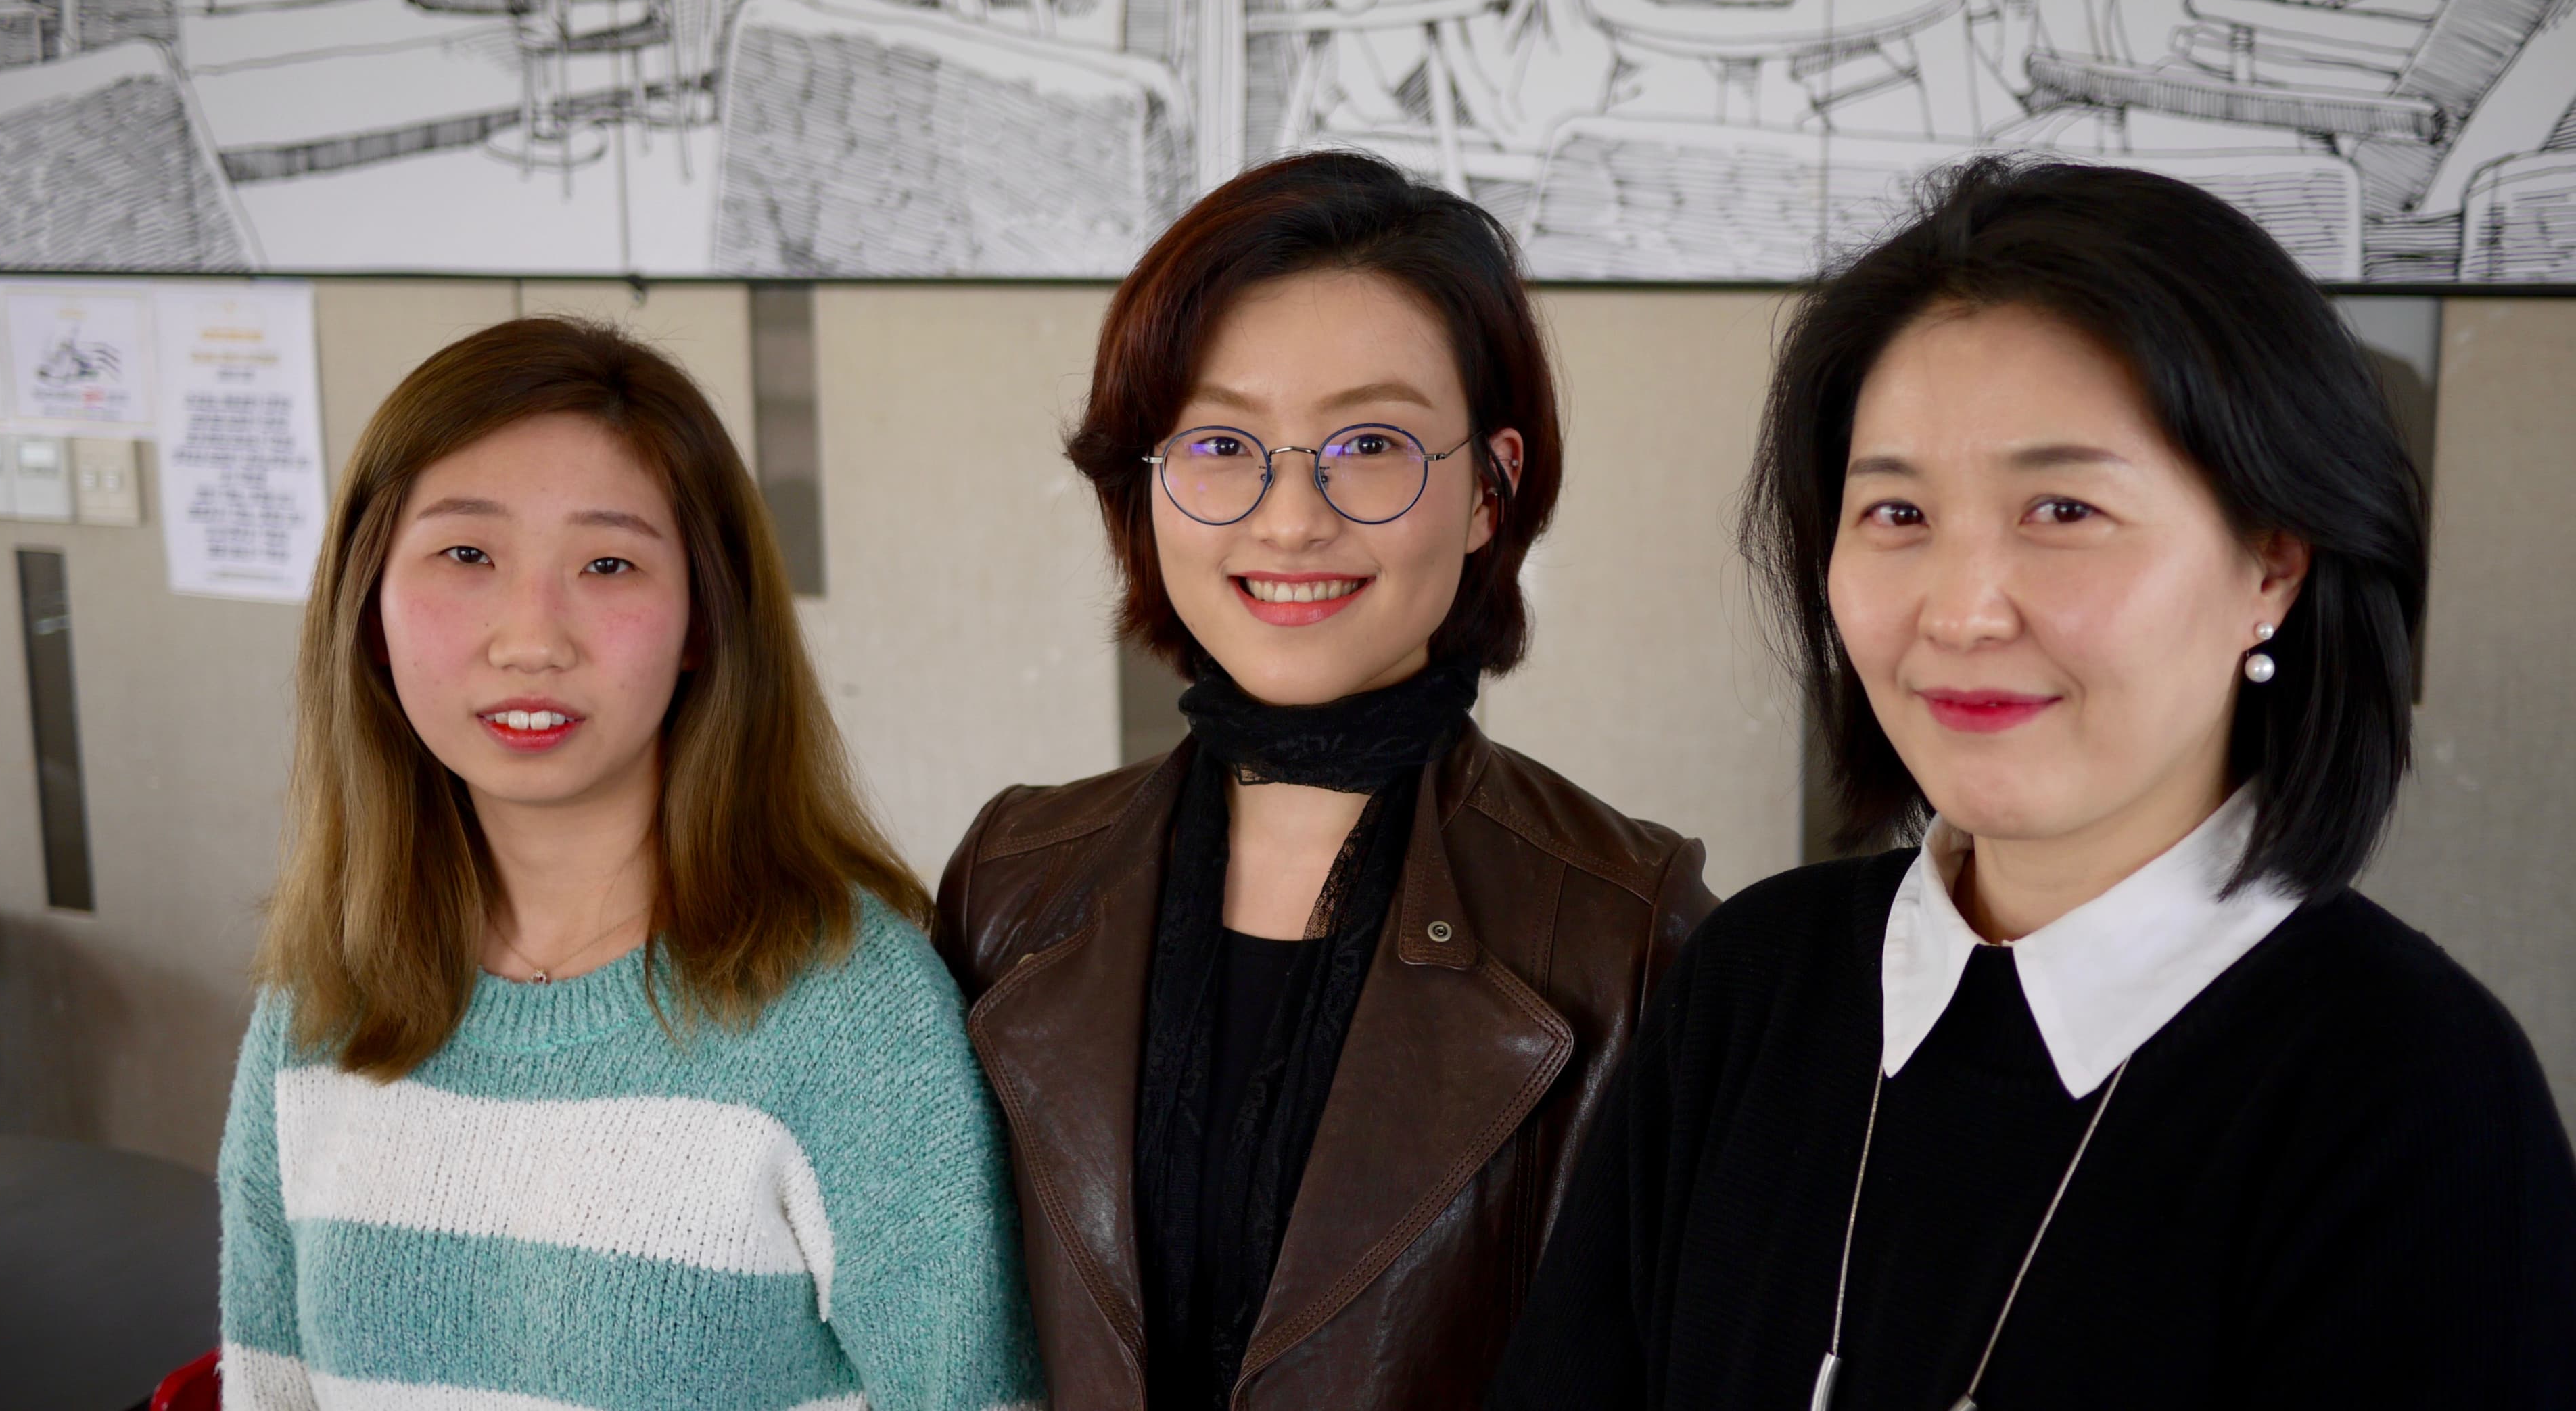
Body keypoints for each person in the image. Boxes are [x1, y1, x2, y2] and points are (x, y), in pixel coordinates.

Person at [1491, 157, 2576, 1409]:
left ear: (2273, 563)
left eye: (2062, 507)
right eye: (1896, 514)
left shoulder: (2414, 1096)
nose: (1961, 611)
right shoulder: (1751, 984)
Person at [931, 150, 1717, 1410]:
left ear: (1489, 489)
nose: (1290, 519)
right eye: (1223, 443)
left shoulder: (1628, 924)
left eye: (1368, 443)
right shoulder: (1009, 878)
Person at [218, 318, 1045, 1410]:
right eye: (467, 554)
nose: (532, 635)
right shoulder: (322, 991)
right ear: (369, 607)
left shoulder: (852, 1012)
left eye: (608, 563)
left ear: (704, 619)